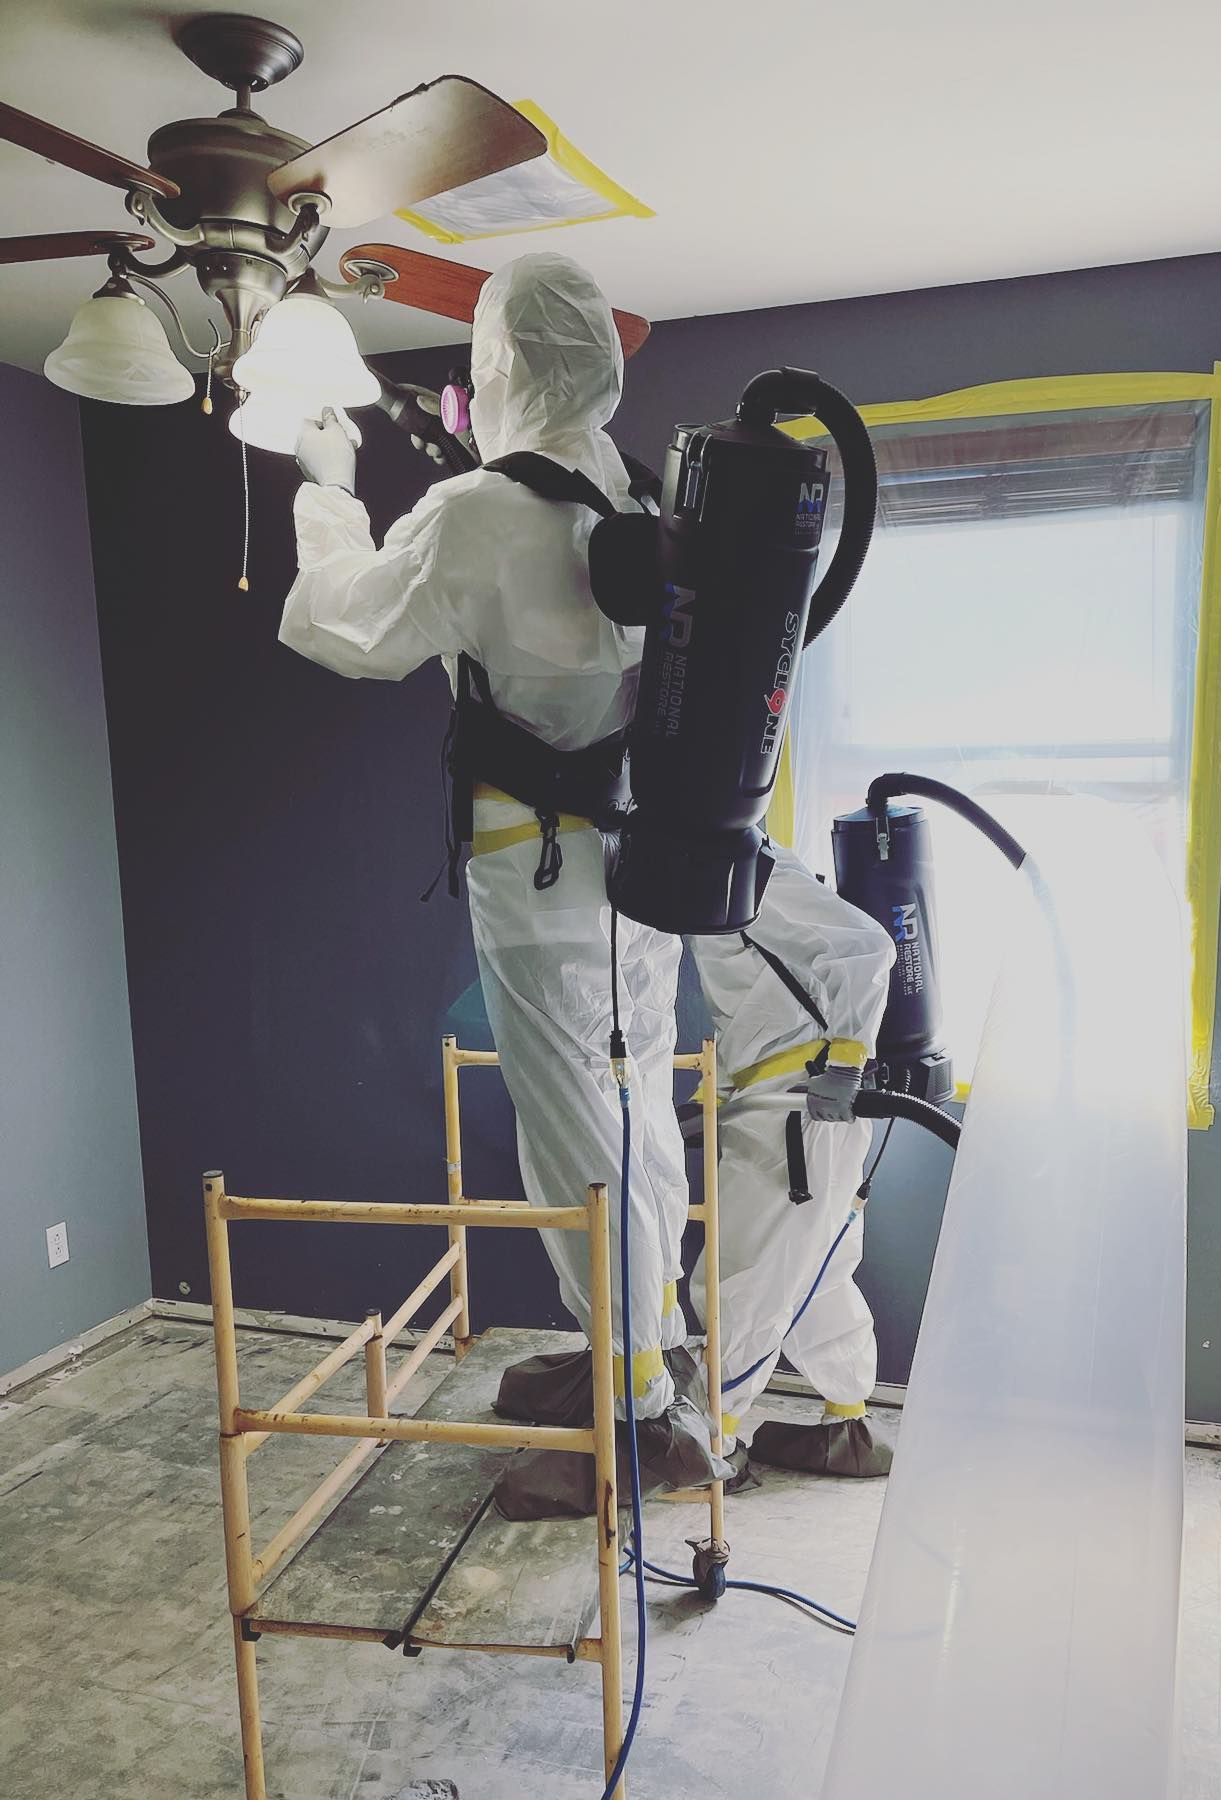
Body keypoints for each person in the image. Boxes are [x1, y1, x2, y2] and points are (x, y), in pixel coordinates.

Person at [277, 251, 724, 1511]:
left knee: (574, 1132)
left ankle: (637, 1421)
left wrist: (328, 492)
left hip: (536, 886)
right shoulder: (645, 502)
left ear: (501, 367)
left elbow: (346, 625)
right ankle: (647, 1354)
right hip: (641, 877)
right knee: (632, 1116)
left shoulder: (479, 512)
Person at [688, 843, 897, 1476]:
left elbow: (867, 949)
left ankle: (708, 1439)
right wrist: (717, 1096)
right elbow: (748, 1003)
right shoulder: (701, 875)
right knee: (816, 1271)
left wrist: (846, 1060)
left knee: (744, 1278)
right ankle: (848, 1424)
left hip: (801, 1105)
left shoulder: (743, 862)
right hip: (774, 1100)